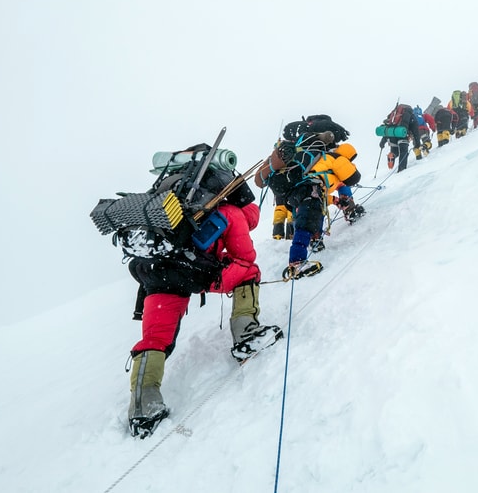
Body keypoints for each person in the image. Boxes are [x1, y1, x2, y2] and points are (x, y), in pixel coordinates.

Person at [124, 145, 281, 437]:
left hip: (155, 273)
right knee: (250, 272)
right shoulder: (231, 212)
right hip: (191, 272)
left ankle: (143, 407)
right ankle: (247, 334)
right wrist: (220, 277)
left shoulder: (169, 201)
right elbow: (244, 259)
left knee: (156, 337)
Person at [255, 131, 334, 277]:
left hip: (289, 195)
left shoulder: (279, 158)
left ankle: (312, 240)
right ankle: (297, 262)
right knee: (306, 220)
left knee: (303, 219)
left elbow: (259, 181)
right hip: (305, 189)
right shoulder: (308, 150)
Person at [377, 103, 422, 172]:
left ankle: (392, 155)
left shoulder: (393, 114)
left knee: (395, 152)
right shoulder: (411, 115)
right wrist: (417, 143)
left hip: (392, 136)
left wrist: (383, 141)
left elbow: (387, 127)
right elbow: (415, 130)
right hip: (402, 135)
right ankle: (401, 170)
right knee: (403, 152)